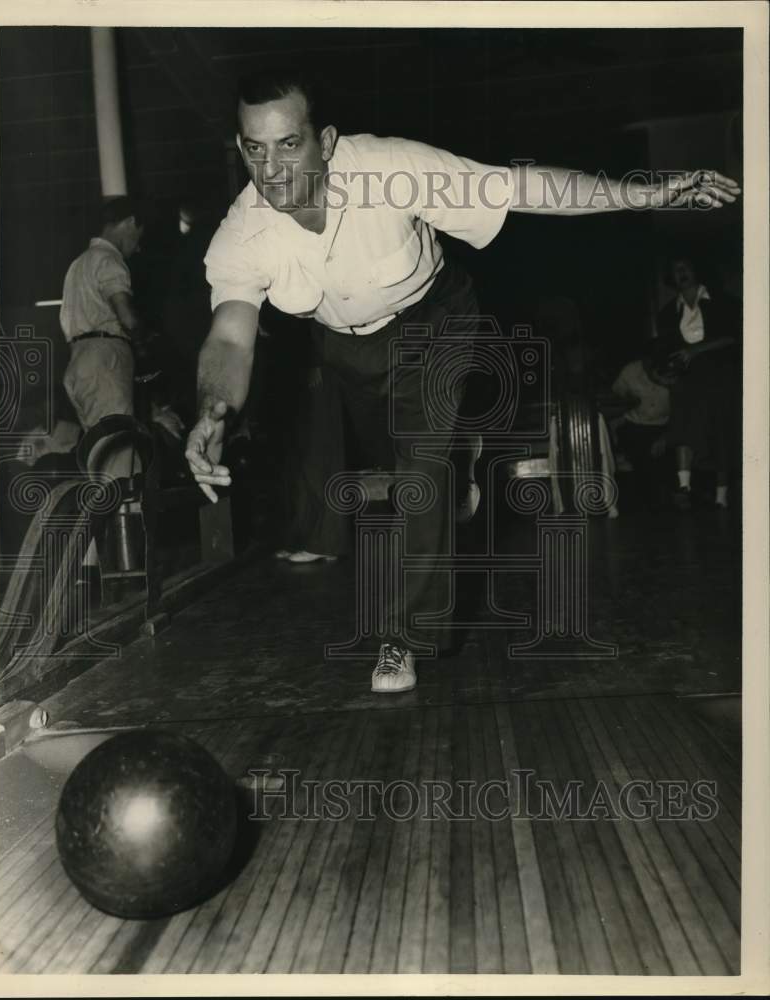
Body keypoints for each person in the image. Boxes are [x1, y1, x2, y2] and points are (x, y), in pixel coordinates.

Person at [184, 68, 740, 693]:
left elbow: (524, 187)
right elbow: (231, 335)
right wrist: (212, 414)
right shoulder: (242, 231)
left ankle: (402, 637)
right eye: (255, 148)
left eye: (289, 144)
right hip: (345, 346)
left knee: (422, 469)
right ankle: (455, 472)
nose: (273, 168)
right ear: (241, 149)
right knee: (406, 469)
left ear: (327, 141)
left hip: (433, 320)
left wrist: (647, 193)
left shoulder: (391, 170)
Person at [60, 196, 147, 479]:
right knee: (120, 459)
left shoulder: (78, 264)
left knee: (99, 460)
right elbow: (128, 317)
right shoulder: (110, 259)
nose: (138, 246)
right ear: (130, 222)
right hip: (105, 360)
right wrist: (147, 341)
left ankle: (108, 522)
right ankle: (125, 522)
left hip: (79, 362)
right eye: (138, 237)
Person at [655, 254, 741, 510]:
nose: (680, 273)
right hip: (688, 377)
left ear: (697, 270)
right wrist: (665, 371)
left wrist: (695, 351)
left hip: (720, 373)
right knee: (683, 420)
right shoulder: (668, 312)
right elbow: (665, 350)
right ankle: (684, 486)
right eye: (675, 269)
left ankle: (721, 496)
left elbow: (733, 338)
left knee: (721, 430)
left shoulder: (724, 302)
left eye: (685, 267)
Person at [609, 344, 676, 508]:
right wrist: (626, 400)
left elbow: (684, 410)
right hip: (635, 423)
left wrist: (666, 436)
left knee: (664, 460)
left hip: (665, 425)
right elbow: (615, 394)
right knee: (638, 460)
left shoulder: (672, 371)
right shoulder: (631, 371)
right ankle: (643, 505)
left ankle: (667, 501)